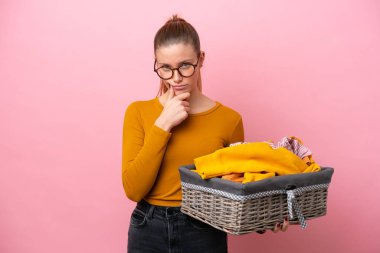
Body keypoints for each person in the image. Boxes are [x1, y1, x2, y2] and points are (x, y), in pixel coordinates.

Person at [122, 14, 288, 253]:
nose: (176, 78)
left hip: (204, 228)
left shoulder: (229, 120)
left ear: (201, 59)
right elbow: (133, 190)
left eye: (185, 66)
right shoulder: (138, 112)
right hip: (148, 229)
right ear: (156, 63)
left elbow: (236, 186)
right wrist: (162, 125)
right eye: (166, 68)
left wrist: (265, 218)